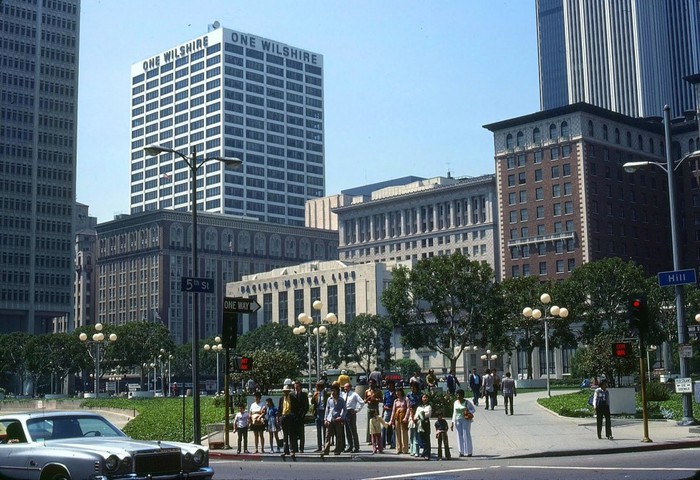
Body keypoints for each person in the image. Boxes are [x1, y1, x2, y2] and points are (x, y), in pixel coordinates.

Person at [322, 382, 346, 456]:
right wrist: (325, 419)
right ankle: (326, 450)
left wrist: (341, 417)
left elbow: (344, 410)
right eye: (332, 391)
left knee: (338, 435)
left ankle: (338, 450)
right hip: (330, 419)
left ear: (337, 391)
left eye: (334, 391)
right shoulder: (329, 399)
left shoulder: (341, 400)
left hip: (337, 419)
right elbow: (327, 409)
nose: (332, 392)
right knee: (327, 435)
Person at [451, 388, 475, 457]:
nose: (458, 396)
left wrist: (468, 412)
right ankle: (461, 451)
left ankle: (469, 451)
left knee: (466, 435)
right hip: (457, 420)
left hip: (465, 420)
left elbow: (473, 409)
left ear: (462, 395)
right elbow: (454, 412)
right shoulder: (455, 402)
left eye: (459, 394)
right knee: (459, 435)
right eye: (457, 394)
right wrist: (452, 422)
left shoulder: (467, 402)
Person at [342, 382, 365, 453]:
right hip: (345, 412)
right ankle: (350, 446)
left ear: (350, 387)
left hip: (351, 412)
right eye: (344, 388)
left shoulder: (354, 394)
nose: (345, 389)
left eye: (346, 388)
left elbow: (362, 402)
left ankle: (356, 447)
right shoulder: (344, 395)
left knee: (353, 431)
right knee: (347, 431)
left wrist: (356, 410)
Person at [277, 383, 298, 459]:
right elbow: (280, 408)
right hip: (283, 417)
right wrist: (279, 417)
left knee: (291, 434)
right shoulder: (281, 398)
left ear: (289, 391)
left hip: (290, 417)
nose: (285, 392)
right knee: (285, 435)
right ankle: (285, 450)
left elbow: (295, 408)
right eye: (284, 391)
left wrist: (293, 416)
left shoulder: (292, 398)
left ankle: (292, 450)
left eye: (287, 391)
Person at [389, 387, 410, 454]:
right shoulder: (395, 401)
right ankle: (398, 448)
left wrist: (406, 417)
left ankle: (405, 449)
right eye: (396, 392)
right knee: (397, 433)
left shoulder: (406, 399)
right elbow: (393, 411)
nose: (397, 393)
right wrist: (391, 420)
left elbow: (408, 408)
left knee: (404, 432)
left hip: (403, 416)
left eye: (398, 391)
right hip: (397, 417)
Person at [310, 380, 327, 452]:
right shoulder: (317, 394)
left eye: (317, 386)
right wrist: (314, 396)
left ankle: (325, 446)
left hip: (324, 412)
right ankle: (319, 446)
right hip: (318, 412)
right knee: (318, 431)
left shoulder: (327, 394)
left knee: (325, 431)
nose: (316, 388)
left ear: (321, 387)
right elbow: (312, 402)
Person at [293, 380, 309, 452]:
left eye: (297, 387)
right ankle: (295, 448)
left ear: (300, 387)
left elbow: (306, 406)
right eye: (295, 387)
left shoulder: (304, 395)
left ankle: (301, 448)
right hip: (294, 416)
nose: (296, 388)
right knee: (294, 433)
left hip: (301, 416)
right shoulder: (292, 394)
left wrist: (303, 414)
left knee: (301, 433)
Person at [364, 378, 383, 443]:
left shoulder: (378, 391)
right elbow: (365, 400)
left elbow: (381, 400)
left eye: (372, 383)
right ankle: (370, 439)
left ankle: (377, 439)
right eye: (370, 383)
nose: (371, 384)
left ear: (375, 384)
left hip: (375, 408)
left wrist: (376, 399)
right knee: (370, 423)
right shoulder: (367, 391)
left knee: (376, 423)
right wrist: (368, 401)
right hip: (369, 407)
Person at [414, 394, 432, 460]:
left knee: (427, 438)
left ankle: (427, 454)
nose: (425, 398)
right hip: (420, 423)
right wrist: (416, 417)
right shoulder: (419, 407)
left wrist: (421, 415)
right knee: (422, 438)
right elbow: (416, 415)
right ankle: (424, 452)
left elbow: (428, 414)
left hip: (426, 423)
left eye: (426, 397)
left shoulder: (429, 406)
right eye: (424, 397)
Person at [382, 380, 396, 449]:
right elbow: (384, 403)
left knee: (394, 427)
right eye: (388, 385)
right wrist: (383, 412)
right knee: (384, 427)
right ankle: (382, 443)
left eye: (391, 385)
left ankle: (393, 443)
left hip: (394, 411)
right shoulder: (386, 393)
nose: (389, 386)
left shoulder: (396, 393)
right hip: (387, 411)